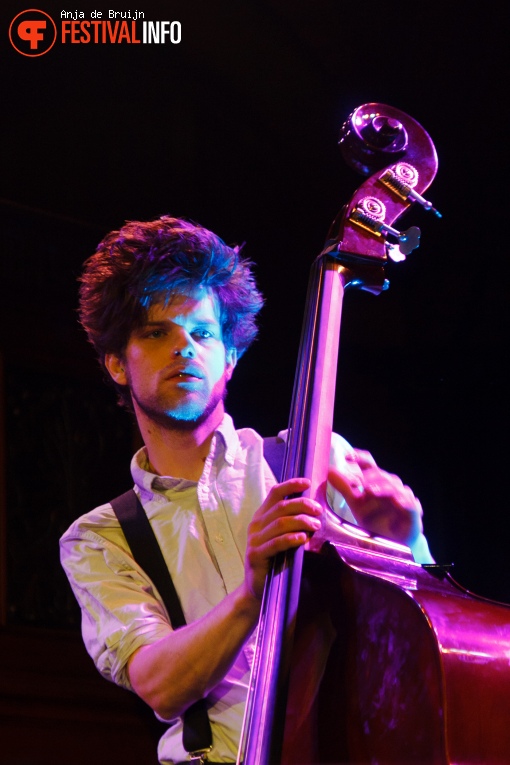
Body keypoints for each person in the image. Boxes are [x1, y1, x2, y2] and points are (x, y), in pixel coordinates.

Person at [60, 216, 433, 765]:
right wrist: (252, 591)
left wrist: (409, 541)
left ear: (229, 357)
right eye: (156, 333)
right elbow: (159, 683)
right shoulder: (100, 538)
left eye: (203, 333)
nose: (184, 349)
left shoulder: (313, 459)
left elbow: (416, 625)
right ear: (117, 363)